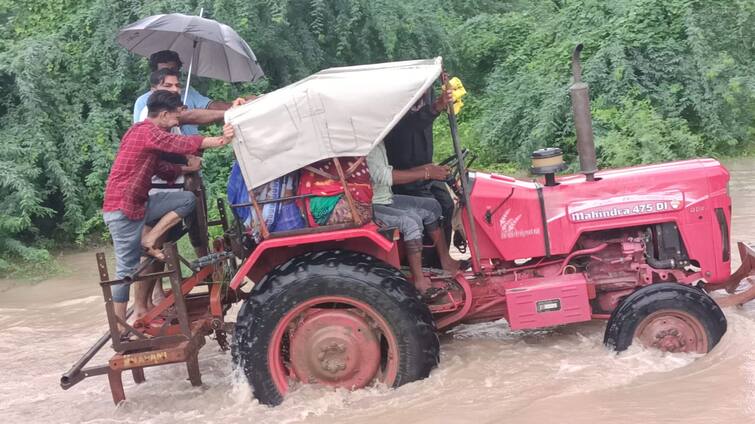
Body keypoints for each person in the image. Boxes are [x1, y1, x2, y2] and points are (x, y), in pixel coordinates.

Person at [103, 90, 234, 332]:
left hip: (140, 203)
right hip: (121, 208)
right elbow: (178, 143)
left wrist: (186, 168)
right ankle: (119, 327)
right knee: (126, 269)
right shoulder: (145, 131)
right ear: (163, 115)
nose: (178, 121)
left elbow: (164, 168)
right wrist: (219, 140)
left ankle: (151, 239)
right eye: (176, 117)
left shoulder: (151, 135)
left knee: (186, 200)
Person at [366, 140, 460, 300]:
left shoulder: (378, 142)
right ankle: (419, 281)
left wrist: (428, 168)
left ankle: (446, 260)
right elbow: (383, 176)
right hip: (370, 203)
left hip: (385, 197)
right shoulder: (367, 146)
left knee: (433, 206)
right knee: (411, 222)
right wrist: (426, 173)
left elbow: (389, 170)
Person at [384, 87, 455, 247]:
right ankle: (431, 262)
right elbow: (411, 125)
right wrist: (435, 108)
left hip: (425, 167)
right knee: (432, 210)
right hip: (405, 174)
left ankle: (444, 257)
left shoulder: (427, 96)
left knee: (448, 204)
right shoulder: (399, 107)